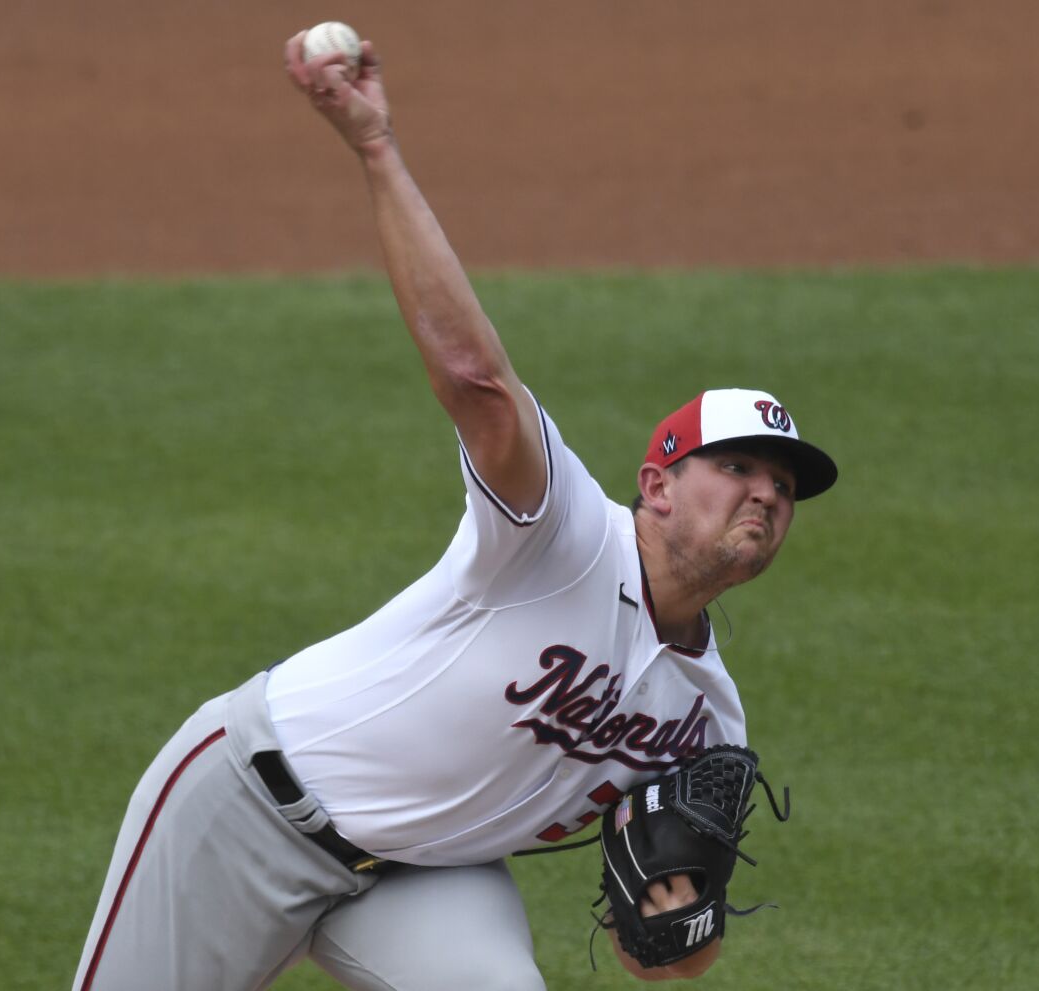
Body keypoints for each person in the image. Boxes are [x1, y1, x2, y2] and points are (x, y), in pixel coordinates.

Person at [71, 31, 838, 991]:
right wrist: (375, 147)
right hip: (252, 804)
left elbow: (676, 957)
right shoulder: (558, 531)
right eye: (738, 466)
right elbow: (477, 380)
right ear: (658, 483)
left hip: (424, 881)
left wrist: (680, 923)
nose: (766, 490)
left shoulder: (707, 724)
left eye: (785, 484)